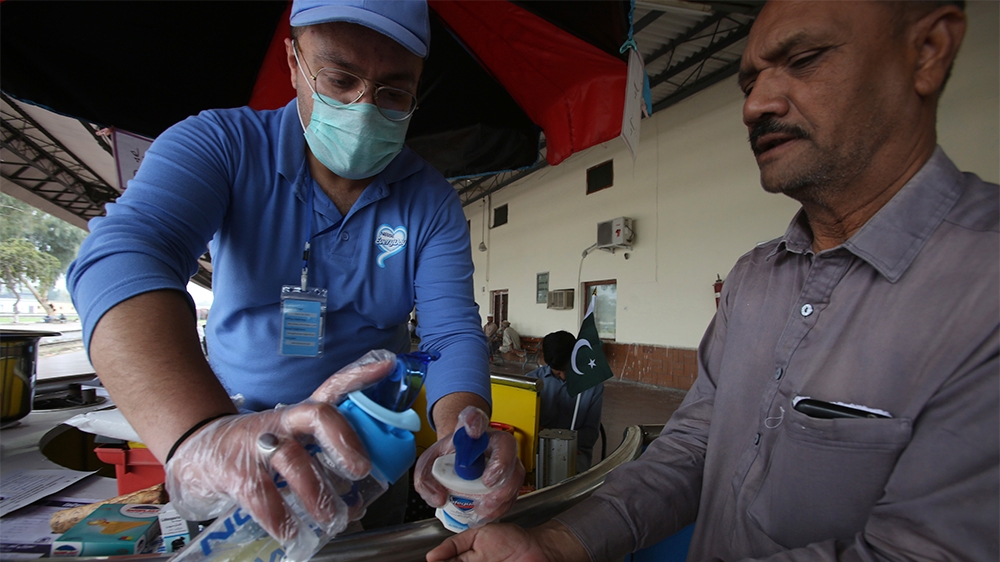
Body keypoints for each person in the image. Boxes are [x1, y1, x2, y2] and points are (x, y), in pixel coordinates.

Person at [427, 2, 999, 561]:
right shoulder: (755, 279)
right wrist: (557, 543)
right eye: (749, 82)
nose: (755, 105)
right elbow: (692, 447)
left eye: (805, 59)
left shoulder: (983, 287)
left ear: (928, 50)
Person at [66, 0, 522, 551]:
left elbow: (448, 333)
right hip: (240, 447)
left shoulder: (430, 202)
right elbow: (124, 257)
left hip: (368, 459)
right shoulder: (221, 145)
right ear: (293, 62)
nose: (363, 110)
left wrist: (459, 434)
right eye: (340, 79)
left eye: (393, 93)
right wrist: (200, 434)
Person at [525, 331, 603, 472]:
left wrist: (561, 439)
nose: (564, 377)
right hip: (537, 448)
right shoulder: (531, 382)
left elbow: (590, 435)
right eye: (558, 372)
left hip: (575, 450)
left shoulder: (592, 386)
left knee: (567, 475)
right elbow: (524, 427)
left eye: (568, 369)